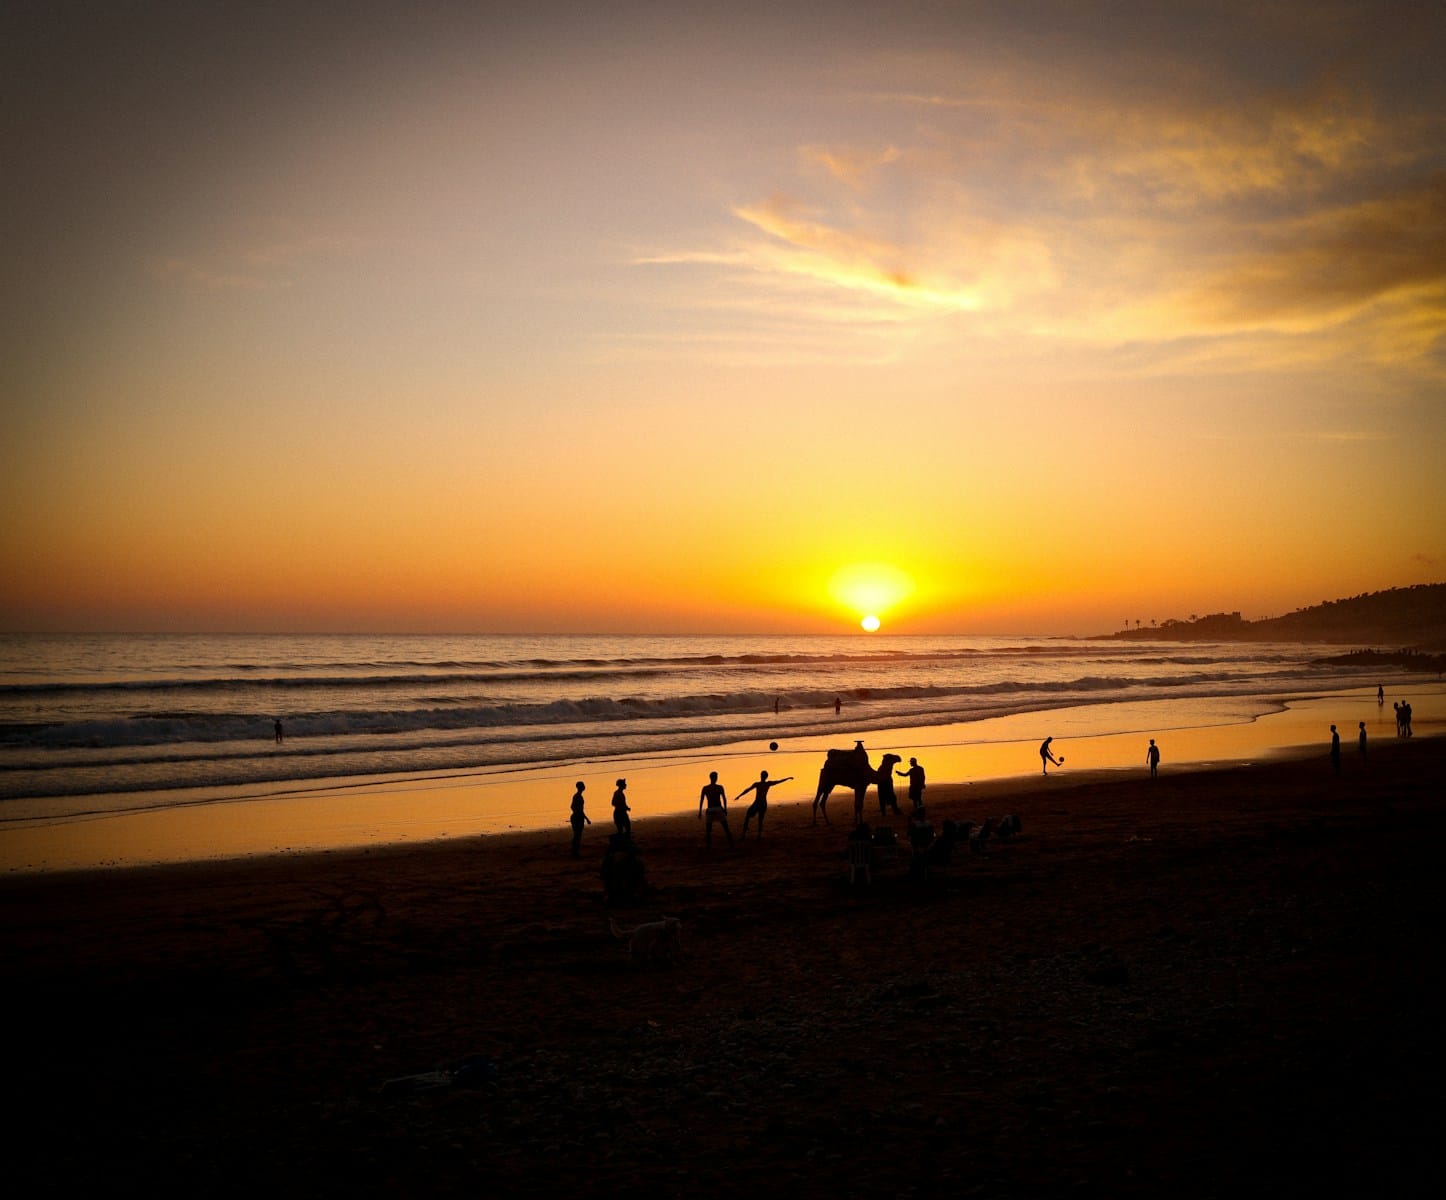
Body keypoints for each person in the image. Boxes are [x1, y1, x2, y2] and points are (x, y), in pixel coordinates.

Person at [736, 769, 793, 839]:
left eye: (761, 775)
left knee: (750, 817)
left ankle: (745, 834)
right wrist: (787, 778)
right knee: (758, 819)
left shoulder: (758, 784)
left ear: (762, 776)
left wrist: (739, 796)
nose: (761, 776)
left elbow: (748, 790)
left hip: (758, 803)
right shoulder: (766, 784)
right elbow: (778, 781)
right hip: (762, 803)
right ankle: (755, 835)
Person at [698, 771, 733, 848]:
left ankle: (708, 846)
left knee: (708, 830)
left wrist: (700, 811)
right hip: (718, 809)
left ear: (710, 778)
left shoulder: (705, 788)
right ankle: (731, 844)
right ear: (716, 778)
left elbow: (701, 800)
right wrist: (725, 809)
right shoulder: (719, 787)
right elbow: (724, 798)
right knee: (725, 827)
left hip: (710, 809)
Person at [569, 781, 591, 858]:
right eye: (583, 786)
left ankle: (575, 851)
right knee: (577, 835)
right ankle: (575, 852)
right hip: (577, 818)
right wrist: (582, 816)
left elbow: (575, 808)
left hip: (578, 817)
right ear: (581, 787)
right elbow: (574, 807)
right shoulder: (577, 796)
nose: (584, 787)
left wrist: (585, 817)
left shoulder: (577, 796)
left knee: (577, 835)